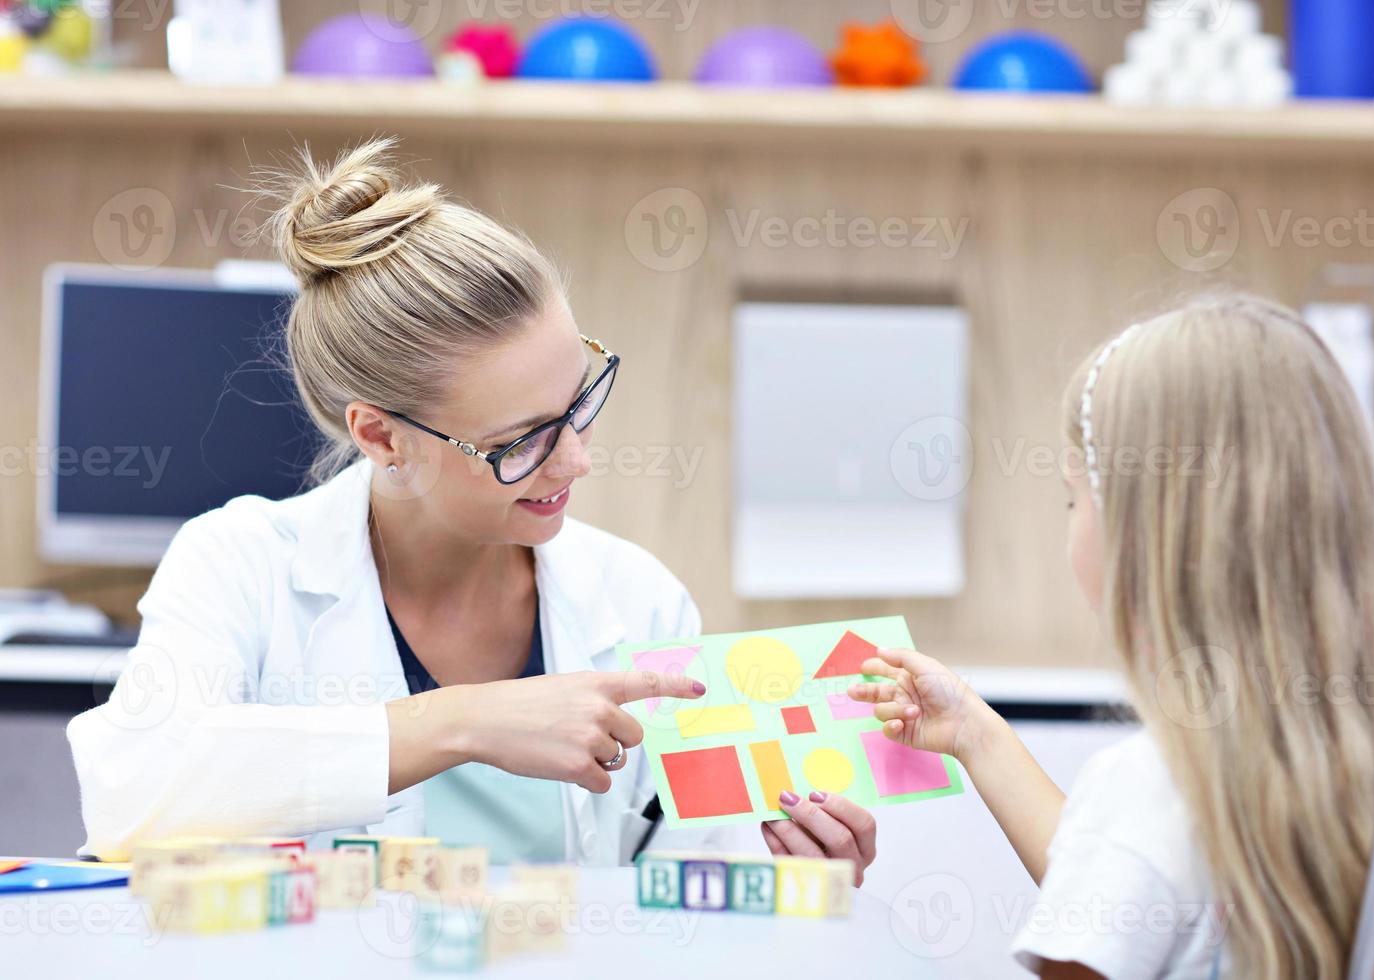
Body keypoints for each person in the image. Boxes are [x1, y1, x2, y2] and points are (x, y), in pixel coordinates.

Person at [67, 138, 878, 880]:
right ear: (382, 437)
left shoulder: (636, 598)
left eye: (579, 403)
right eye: (521, 440)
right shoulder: (240, 562)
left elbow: (681, 887)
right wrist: (462, 723)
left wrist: (793, 872)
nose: (577, 459)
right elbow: (130, 794)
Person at [851, 294, 1374, 977]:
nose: (1069, 524)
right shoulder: (1334, 769)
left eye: (1075, 499)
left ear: (1143, 531)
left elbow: (1131, 867)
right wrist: (976, 734)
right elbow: (1136, 886)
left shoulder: (1150, 787)